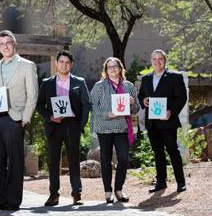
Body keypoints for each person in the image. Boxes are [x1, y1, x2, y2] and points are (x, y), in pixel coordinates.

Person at [0, 30, 39, 211]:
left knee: (15, 162)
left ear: (14, 43)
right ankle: (0, 201)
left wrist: (25, 119)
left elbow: (33, 94)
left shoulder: (27, 65)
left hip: (15, 120)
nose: (4, 46)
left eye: (7, 42)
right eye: (0, 44)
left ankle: (13, 201)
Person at [36, 50, 91, 206]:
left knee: (74, 160)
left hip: (72, 125)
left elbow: (86, 104)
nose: (64, 65)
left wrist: (81, 125)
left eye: (67, 62)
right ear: (56, 63)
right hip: (54, 125)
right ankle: (54, 194)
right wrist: (50, 117)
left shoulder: (79, 82)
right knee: (53, 161)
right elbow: (39, 105)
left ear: (71, 64)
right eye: (61, 62)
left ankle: (77, 193)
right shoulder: (47, 83)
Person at [90, 57, 139, 203]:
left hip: (122, 128)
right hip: (104, 128)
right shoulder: (99, 86)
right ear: (106, 70)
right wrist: (107, 114)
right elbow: (92, 106)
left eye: (115, 66)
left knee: (123, 159)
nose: (112, 69)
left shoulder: (129, 86)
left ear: (120, 68)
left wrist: (132, 103)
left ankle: (119, 189)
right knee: (105, 160)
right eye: (109, 67)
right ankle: (108, 191)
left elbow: (136, 109)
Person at [138, 49, 187, 193]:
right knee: (157, 152)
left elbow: (181, 97)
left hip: (168, 121)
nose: (157, 61)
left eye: (160, 59)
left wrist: (171, 111)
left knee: (172, 150)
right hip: (152, 122)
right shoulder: (146, 78)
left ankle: (180, 182)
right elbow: (142, 95)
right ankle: (161, 182)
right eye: (154, 59)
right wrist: (143, 100)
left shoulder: (174, 77)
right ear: (151, 61)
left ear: (165, 60)